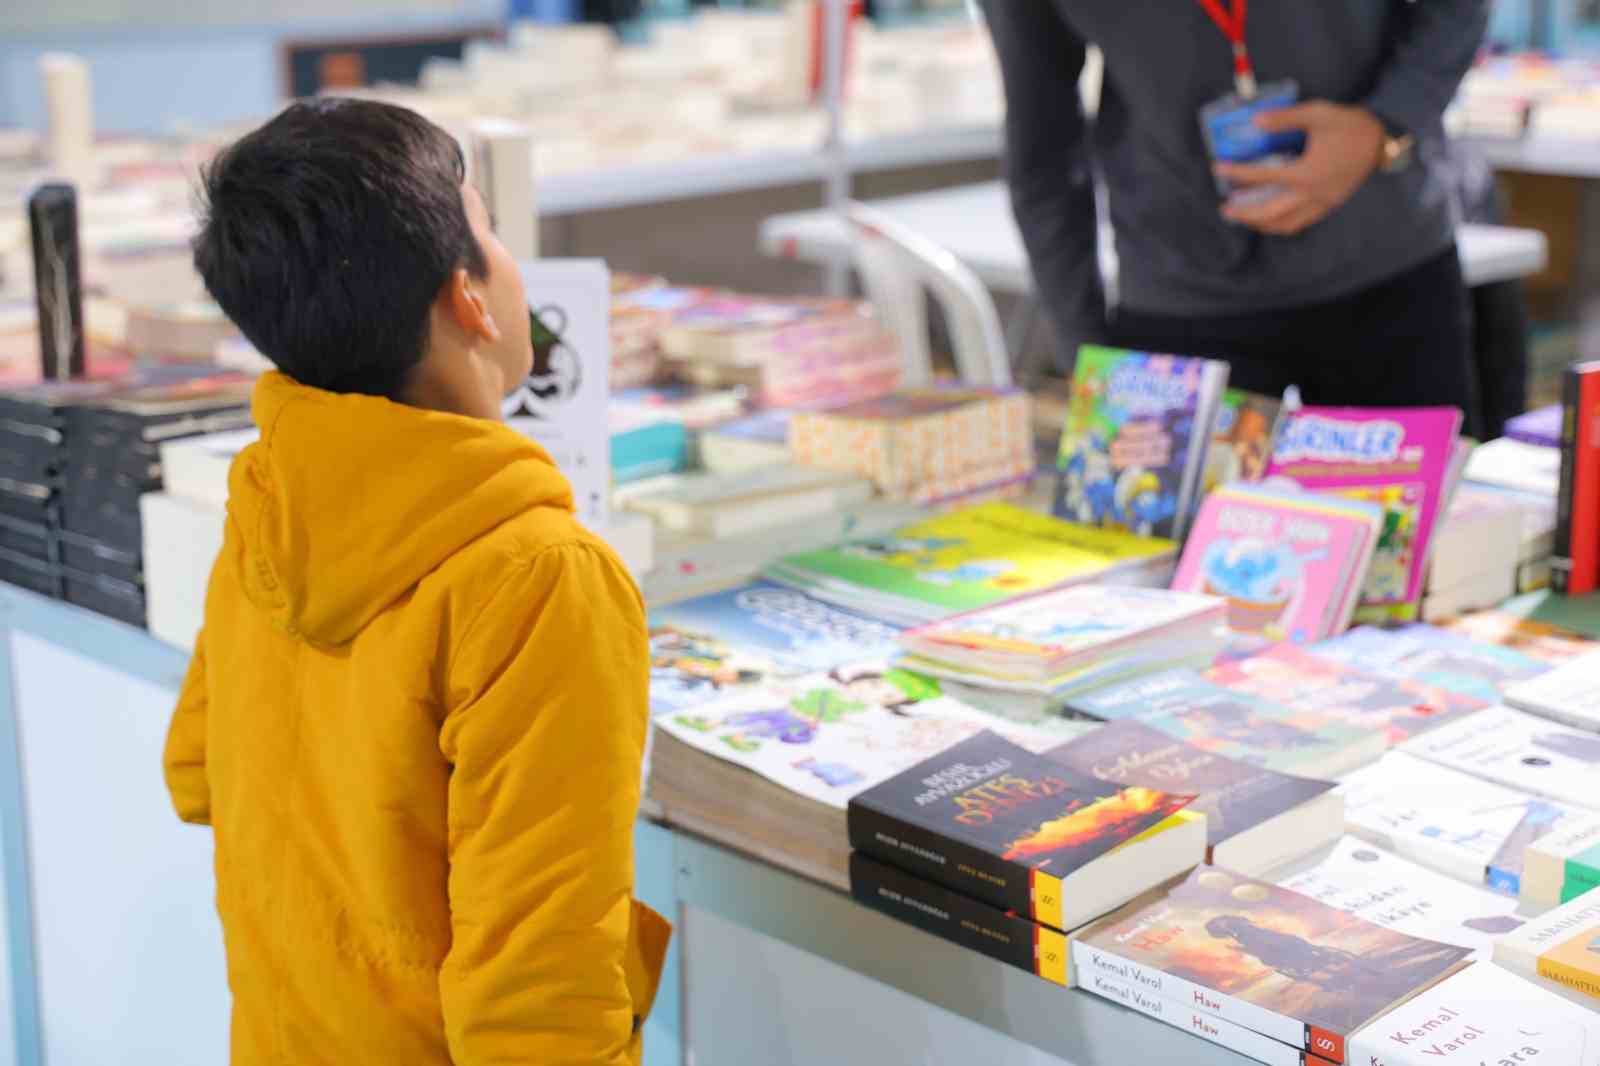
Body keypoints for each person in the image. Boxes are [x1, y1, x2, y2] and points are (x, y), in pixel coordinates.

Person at [162, 99, 669, 1065]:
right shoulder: (537, 577)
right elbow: (540, 992)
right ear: (467, 298)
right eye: (490, 230)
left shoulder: (273, 499)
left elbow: (197, 771)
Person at [982, 2, 1491, 436]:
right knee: (1170, 550)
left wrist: (1386, 124)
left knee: (1422, 544)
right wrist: (1090, 358)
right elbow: (1042, 154)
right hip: (1179, 304)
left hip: (1388, 272)